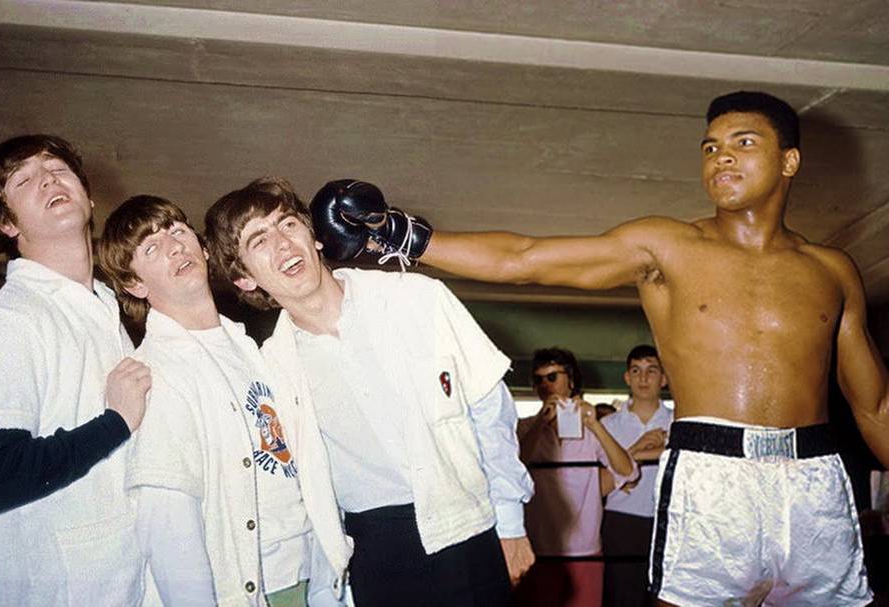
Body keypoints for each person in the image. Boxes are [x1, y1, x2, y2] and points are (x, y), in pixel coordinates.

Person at [311, 90, 886, 605]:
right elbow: (525, 258)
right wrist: (402, 236)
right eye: (710, 148)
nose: (722, 157)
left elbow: (874, 406)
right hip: (714, 475)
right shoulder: (667, 246)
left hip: (816, 478)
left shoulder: (831, 270)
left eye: (743, 142)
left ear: (789, 160)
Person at [202, 177, 535, 606]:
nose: (283, 244)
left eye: (287, 224)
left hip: (466, 527)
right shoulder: (270, 371)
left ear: (315, 237)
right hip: (376, 552)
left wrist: (511, 523)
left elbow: (490, 410)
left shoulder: (417, 297)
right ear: (245, 278)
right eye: (259, 239)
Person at [98, 195, 342, 606]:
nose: (174, 246)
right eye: (152, 248)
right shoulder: (155, 371)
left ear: (203, 248)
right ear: (133, 284)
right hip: (251, 587)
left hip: (308, 575)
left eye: (177, 231)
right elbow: (167, 524)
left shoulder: (251, 348)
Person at [0, 135, 151, 605]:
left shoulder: (107, 306)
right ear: (5, 223)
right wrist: (115, 423)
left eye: (58, 169)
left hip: (132, 585)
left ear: (88, 195)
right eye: (24, 180)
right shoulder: (5, 321)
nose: (48, 179)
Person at [515, 347, 636, 607]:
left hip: (585, 551)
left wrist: (594, 424)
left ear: (571, 381)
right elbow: (515, 469)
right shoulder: (525, 427)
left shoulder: (592, 430)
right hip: (538, 551)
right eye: (538, 379)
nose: (545, 385)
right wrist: (539, 423)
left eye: (552, 377)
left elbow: (628, 471)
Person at [599, 344, 673, 607]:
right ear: (627, 377)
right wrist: (638, 452)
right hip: (621, 524)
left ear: (664, 378)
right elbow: (598, 485)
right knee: (621, 597)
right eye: (636, 371)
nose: (643, 378)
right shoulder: (607, 426)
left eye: (651, 371)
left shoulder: (679, 423)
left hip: (670, 523)